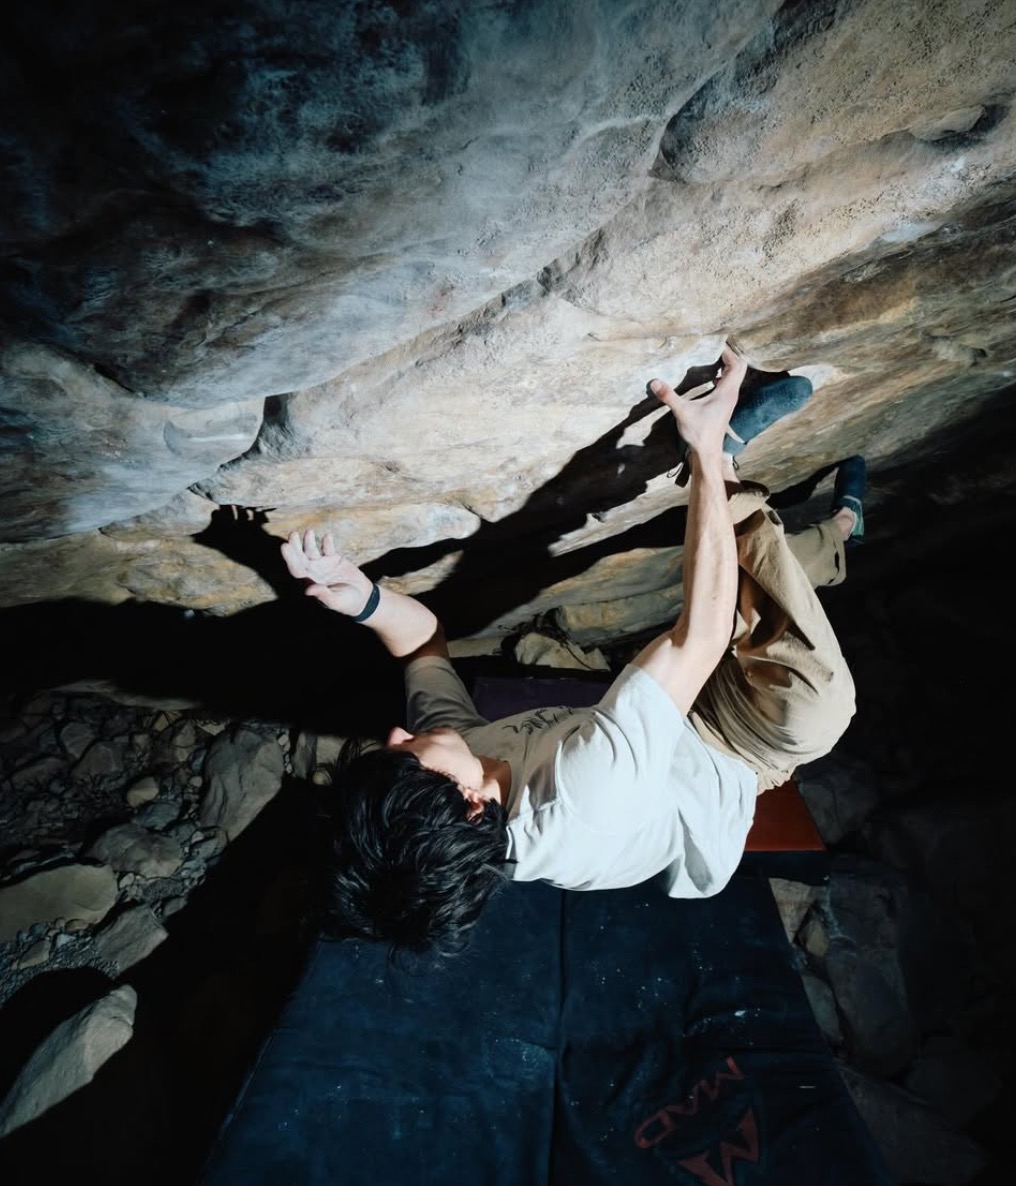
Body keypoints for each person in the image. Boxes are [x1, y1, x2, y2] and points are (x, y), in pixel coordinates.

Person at [281, 346, 864, 953]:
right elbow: (702, 633)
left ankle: (840, 530)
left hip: (664, 725)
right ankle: (728, 456)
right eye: (403, 754)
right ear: (473, 806)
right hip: (733, 750)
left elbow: (422, 645)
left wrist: (361, 597)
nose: (398, 735)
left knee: (753, 587)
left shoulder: (456, 778)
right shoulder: (583, 795)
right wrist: (702, 446)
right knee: (814, 702)